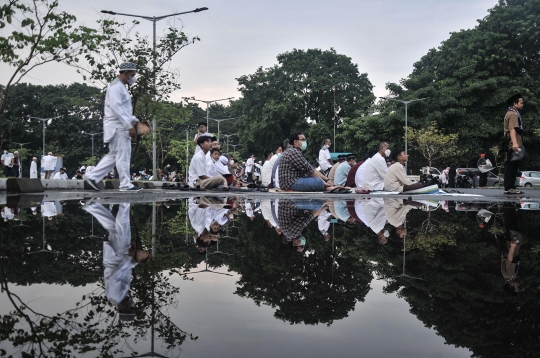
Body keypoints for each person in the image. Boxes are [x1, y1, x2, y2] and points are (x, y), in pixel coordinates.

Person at [84, 202, 150, 320]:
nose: (132, 305)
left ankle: (125, 199)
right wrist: (133, 261)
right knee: (113, 226)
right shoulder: (116, 298)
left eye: (131, 308)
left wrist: (130, 258)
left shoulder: (116, 296)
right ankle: (91, 205)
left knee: (122, 225)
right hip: (116, 257)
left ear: (123, 310)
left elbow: (116, 275)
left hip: (118, 256)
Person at [83, 62, 142, 192]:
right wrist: (129, 125)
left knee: (115, 156)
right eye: (132, 75)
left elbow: (123, 110)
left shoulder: (120, 86)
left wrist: (136, 121)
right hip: (118, 127)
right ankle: (125, 185)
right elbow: (116, 108)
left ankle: (92, 176)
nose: (134, 78)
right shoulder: (116, 86)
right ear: (126, 73)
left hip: (119, 125)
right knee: (123, 156)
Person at [503, 94, 525, 194]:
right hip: (512, 143)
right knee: (511, 166)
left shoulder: (514, 113)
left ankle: (510, 186)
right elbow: (512, 129)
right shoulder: (512, 114)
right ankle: (509, 187)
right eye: (521, 103)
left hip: (514, 142)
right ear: (515, 103)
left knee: (513, 165)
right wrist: (515, 144)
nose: (522, 104)